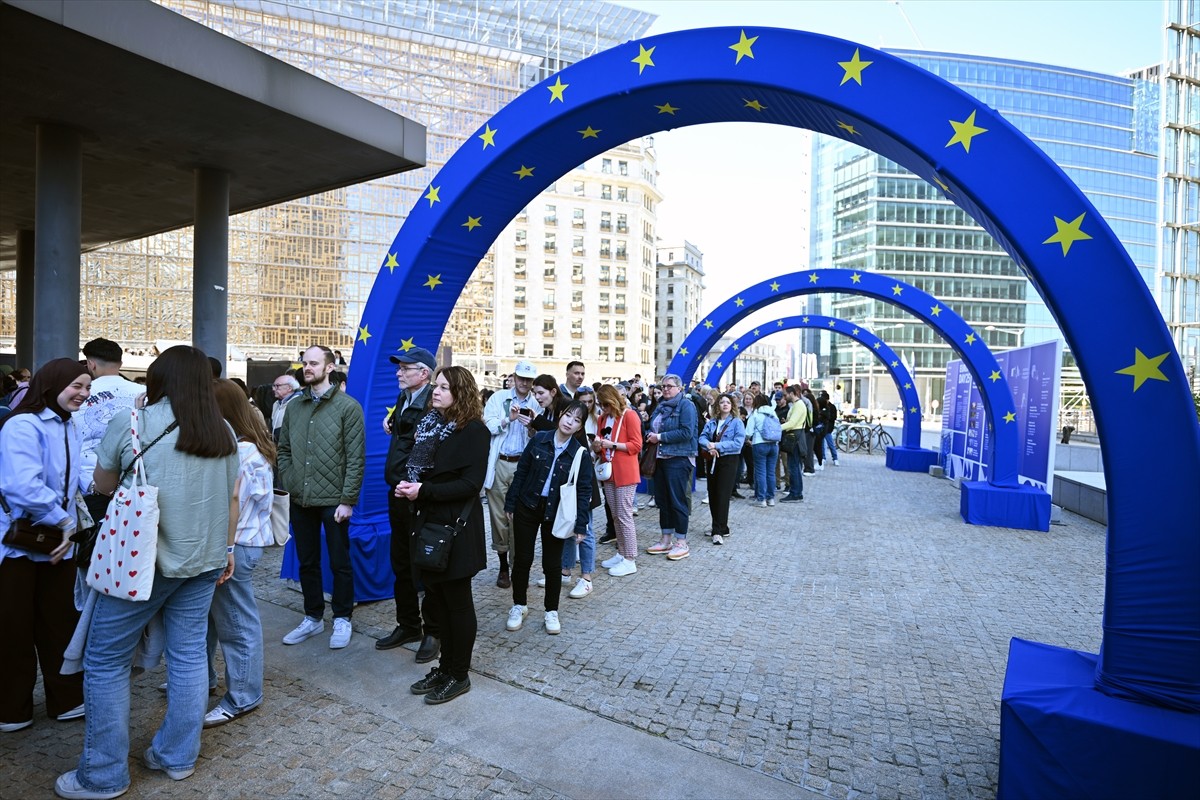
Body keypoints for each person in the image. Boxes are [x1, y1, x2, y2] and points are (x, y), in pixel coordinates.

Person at [58, 345, 239, 799]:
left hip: (141, 562)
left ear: (157, 380)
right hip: (204, 560)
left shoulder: (133, 422)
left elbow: (101, 484)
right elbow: (232, 496)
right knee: (190, 655)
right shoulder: (224, 432)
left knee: (105, 661)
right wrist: (229, 547)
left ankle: (102, 775)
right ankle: (177, 757)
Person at [1, 359, 90, 734]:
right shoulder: (22, 425)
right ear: (52, 385)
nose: (83, 394)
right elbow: (21, 485)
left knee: (61, 621)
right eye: (77, 386)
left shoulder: (71, 425)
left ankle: (67, 698)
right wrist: (65, 520)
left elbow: (78, 474)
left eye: (87, 388)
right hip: (17, 542)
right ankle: (12, 708)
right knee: (13, 627)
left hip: (59, 542)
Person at [396, 366, 488, 705]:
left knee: (458, 604)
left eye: (444, 387)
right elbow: (419, 468)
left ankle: (458, 674)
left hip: (456, 529)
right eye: (436, 385)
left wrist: (423, 491)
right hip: (430, 523)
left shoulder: (474, 431)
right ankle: (445, 667)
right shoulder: (431, 425)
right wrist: (410, 488)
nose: (436, 391)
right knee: (438, 601)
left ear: (460, 392)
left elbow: (469, 485)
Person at [277, 345, 366, 650]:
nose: (307, 368)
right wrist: (289, 480)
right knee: (307, 561)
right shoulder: (294, 406)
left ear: (330, 367)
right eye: (305, 363)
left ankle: (342, 617)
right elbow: (284, 450)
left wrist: (347, 500)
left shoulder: (348, 407)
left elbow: (356, 458)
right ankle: (313, 617)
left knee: (340, 561)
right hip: (300, 498)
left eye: (313, 363)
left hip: (334, 500)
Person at [204, 379, 275, 729]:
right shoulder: (249, 445)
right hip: (240, 544)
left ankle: (243, 696)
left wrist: (227, 549)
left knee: (236, 623)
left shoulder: (239, 451)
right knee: (217, 620)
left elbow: (233, 503)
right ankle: (204, 680)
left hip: (236, 546)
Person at [503, 400, 592, 635]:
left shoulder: (579, 453)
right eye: (567, 416)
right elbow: (521, 472)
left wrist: (581, 525)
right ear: (560, 415)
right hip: (527, 504)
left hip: (557, 512)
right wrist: (511, 502)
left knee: (552, 564)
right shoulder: (539, 439)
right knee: (522, 558)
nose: (569, 422)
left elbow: (584, 490)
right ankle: (519, 605)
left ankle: (551, 610)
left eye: (576, 420)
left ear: (579, 428)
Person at [378, 348, 438, 663]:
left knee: (425, 566)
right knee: (401, 562)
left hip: (418, 496)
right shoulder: (406, 399)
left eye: (405, 369)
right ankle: (408, 625)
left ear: (424, 373)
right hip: (398, 494)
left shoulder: (433, 403)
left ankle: (433, 632)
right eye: (399, 368)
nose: (399, 373)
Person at [482, 360, 540, 589]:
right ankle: (503, 565)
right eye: (521, 378)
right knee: (498, 517)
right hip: (500, 463)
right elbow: (489, 426)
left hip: (523, 466)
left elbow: (541, 438)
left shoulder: (536, 403)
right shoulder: (499, 399)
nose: (524, 383)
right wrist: (509, 419)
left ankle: (518, 565)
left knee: (520, 517)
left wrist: (532, 425)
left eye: (528, 379)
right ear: (514, 378)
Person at [644, 374, 697, 561]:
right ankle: (665, 539)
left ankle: (681, 542)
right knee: (663, 500)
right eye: (663, 386)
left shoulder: (686, 406)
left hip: (679, 458)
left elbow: (687, 432)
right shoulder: (660, 406)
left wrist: (659, 437)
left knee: (677, 500)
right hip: (660, 458)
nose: (666, 389)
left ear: (680, 388)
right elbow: (653, 428)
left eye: (670, 386)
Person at [594, 384, 643, 576]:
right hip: (609, 471)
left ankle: (630, 558)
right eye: (601, 405)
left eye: (605, 404)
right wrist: (597, 445)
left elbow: (636, 445)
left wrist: (612, 444)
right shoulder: (602, 418)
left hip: (625, 472)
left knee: (624, 515)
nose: (603, 408)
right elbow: (599, 443)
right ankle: (622, 553)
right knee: (615, 514)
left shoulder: (629, 415)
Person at [699, 394, 746, 545]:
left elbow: (738, 443)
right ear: (717, 405)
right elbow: (702, 438)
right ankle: (720, 526)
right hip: (713, 459)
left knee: (722, 494)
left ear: (732, 405)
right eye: (722, 402)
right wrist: (709, 446)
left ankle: (717, 531)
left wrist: (717, 446)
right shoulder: (712, 422)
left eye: (728, 402)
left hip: (728, 460)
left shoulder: (737, 423)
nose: (725, 404)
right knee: (712, 493)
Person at [746, 393, 779, 507]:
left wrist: (746, 440)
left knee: (760, 472)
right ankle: (771, 498)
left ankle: (761, 499)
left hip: (759, 444)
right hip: (774, 444)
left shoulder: (755, 414)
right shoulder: (773, 413)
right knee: (771, 472)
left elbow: (748, 432)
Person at [779, 384, 810, 503]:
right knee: (793, 466)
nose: (784, 397)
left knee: (794, 467)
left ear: (792, 394)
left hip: (795, 438)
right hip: (794, 436)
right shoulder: (796, 405)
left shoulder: (799, 405)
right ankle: (796, 492)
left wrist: (778, 428)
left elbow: (792, 423)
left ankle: (796, 493)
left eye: (785, 395)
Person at [269, 374, 301, 443]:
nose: (273, 389)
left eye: (277, 386)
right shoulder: (276, 404)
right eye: (273, 386)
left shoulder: (298, 403)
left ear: (289, 388)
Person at [817, 390, 841, 467]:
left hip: (828, 429)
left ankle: (835, 458)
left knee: (831, 444)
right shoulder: (820, 406)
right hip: (820, 429)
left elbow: (833, 417)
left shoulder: (832, 407)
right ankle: (823, 458)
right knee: (821, 444)